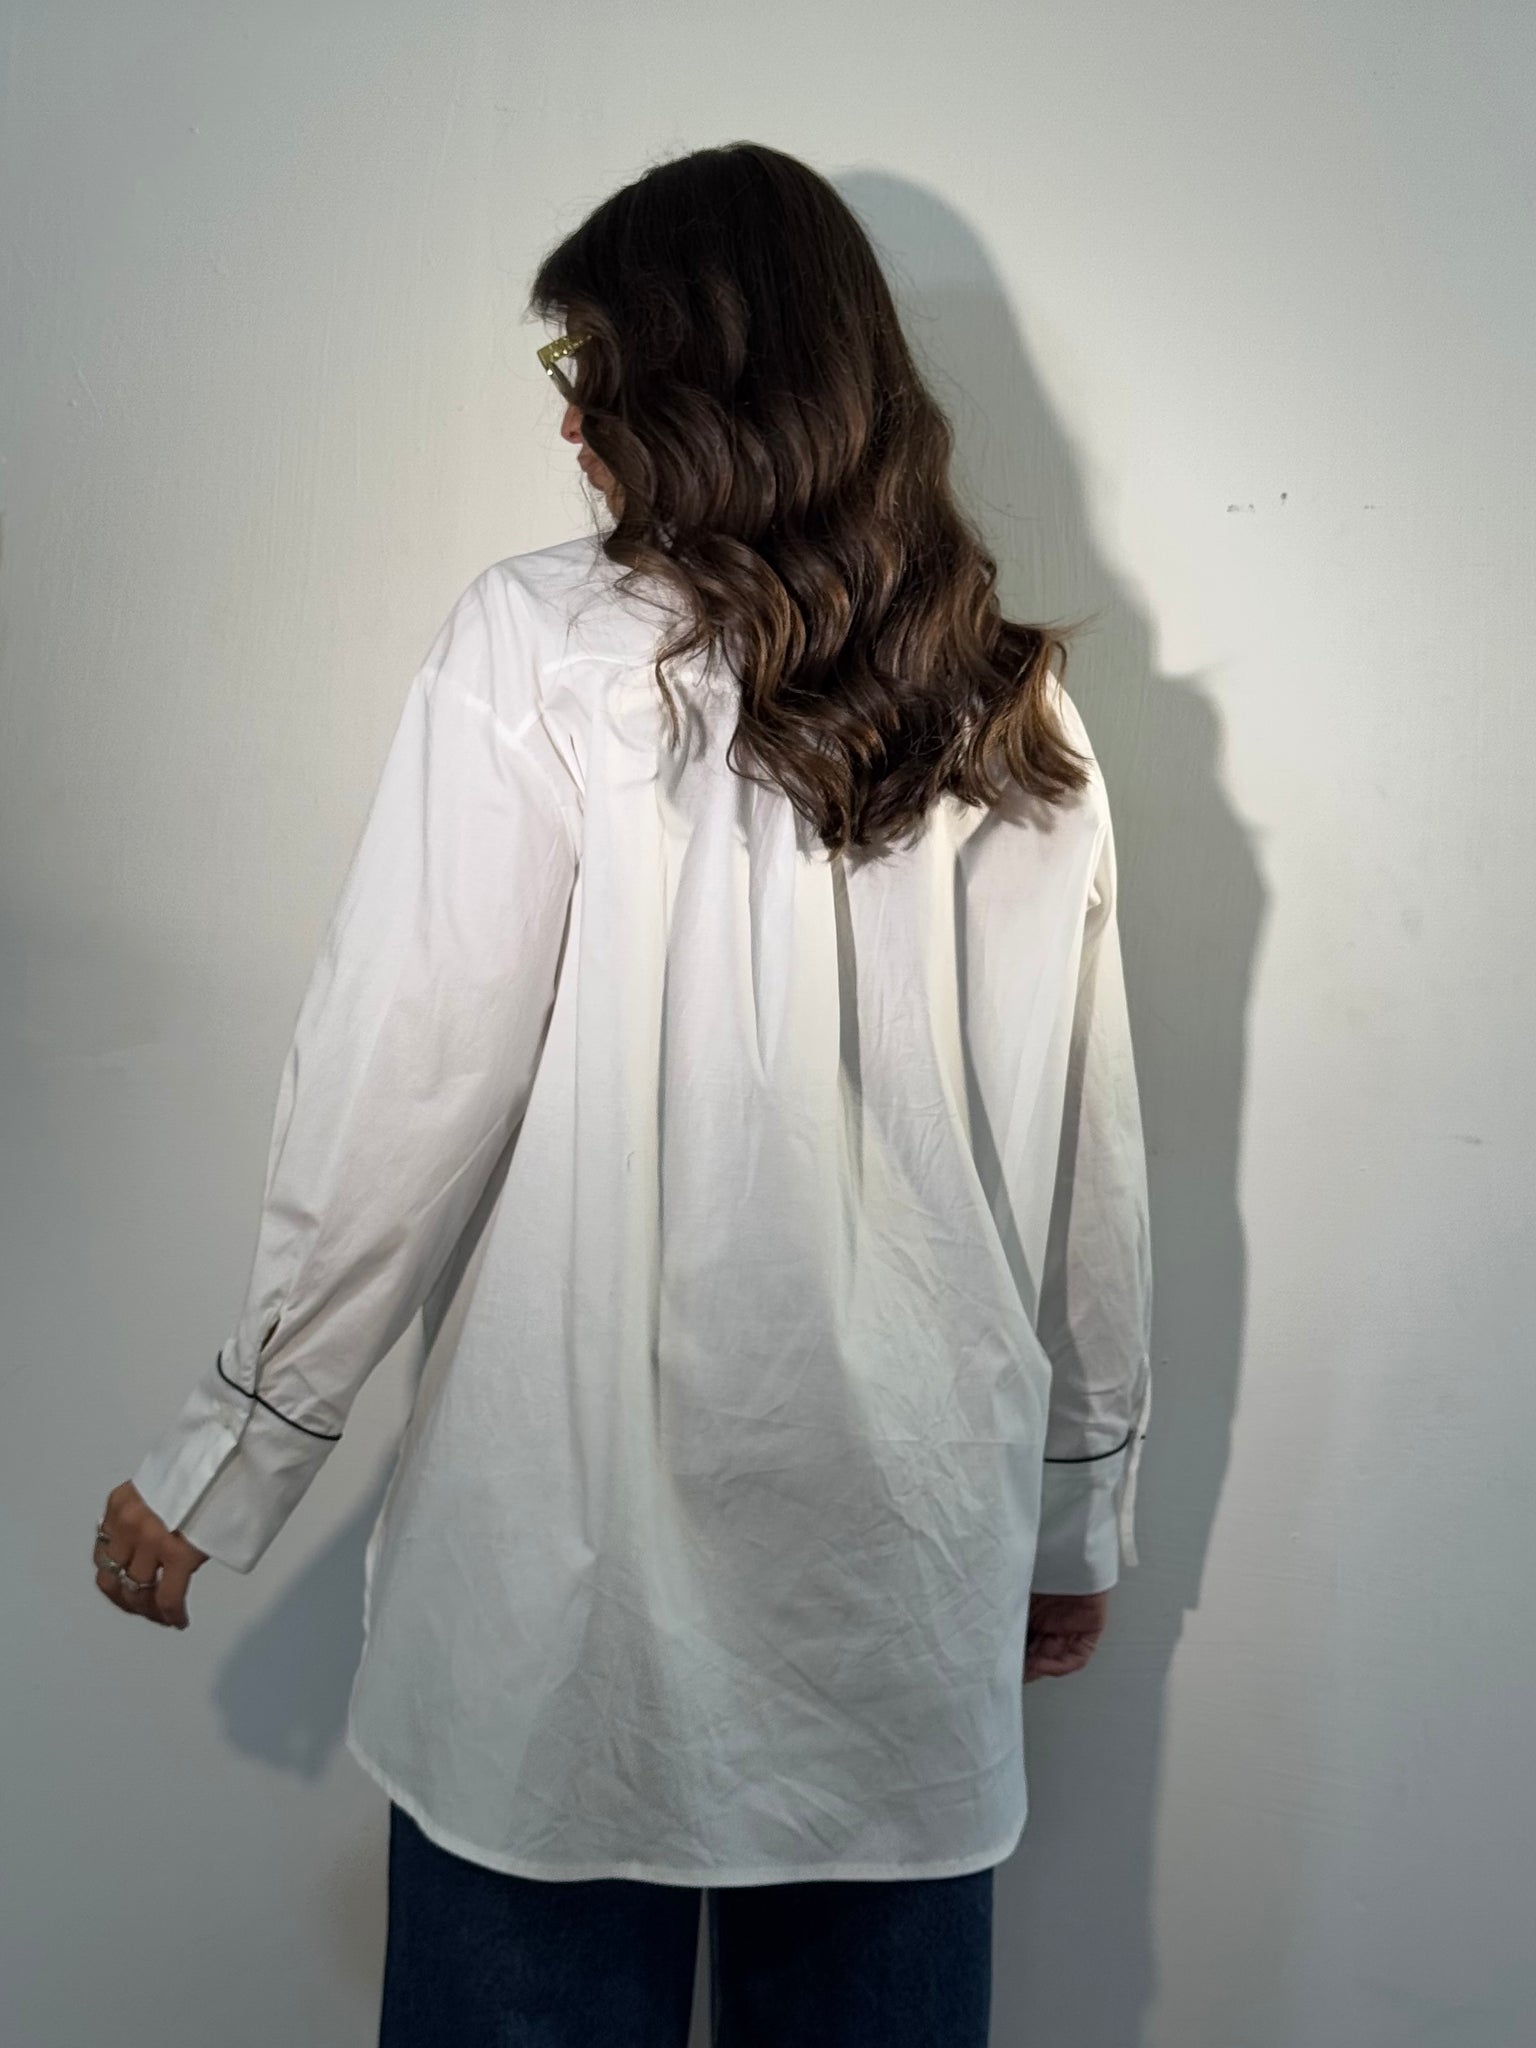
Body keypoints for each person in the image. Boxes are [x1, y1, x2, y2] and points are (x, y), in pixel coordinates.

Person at [94, 141, 1153, 2046]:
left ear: (704, 386)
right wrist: (1075, 1510)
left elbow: (404, 1081)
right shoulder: (1013, 703)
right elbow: (1086, 1163)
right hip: (900, 1572)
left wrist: (237, 1447)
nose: (571, 423)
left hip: (560, 1573)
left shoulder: (541, 648)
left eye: (592, 368)